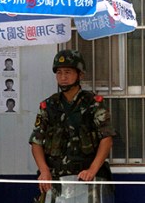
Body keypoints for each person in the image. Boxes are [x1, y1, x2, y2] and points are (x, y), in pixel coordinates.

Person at [29, 49, 115, 191]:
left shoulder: (93, 103)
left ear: (80, 74)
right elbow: (36, 142)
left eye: (68, 72)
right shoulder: (48, 105)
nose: (63, 77)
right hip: (56, 182)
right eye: (59, 73)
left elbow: (107, 139)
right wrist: (44, 171)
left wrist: (92, 171)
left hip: (86, 180)